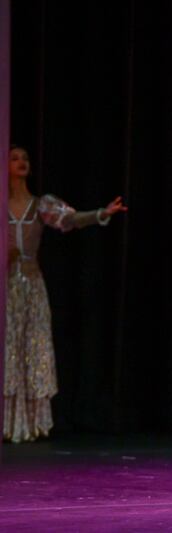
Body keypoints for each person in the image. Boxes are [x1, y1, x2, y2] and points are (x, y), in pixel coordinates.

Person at [5, 145, 127, 443]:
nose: (21, 162)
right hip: (5, 286)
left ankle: (30, 422)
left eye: (25, 158)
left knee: (32, 348)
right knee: (7, 351)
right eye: (14, 158)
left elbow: (70, 219)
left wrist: (101, 213)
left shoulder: (40, 205)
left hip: (31, 284)